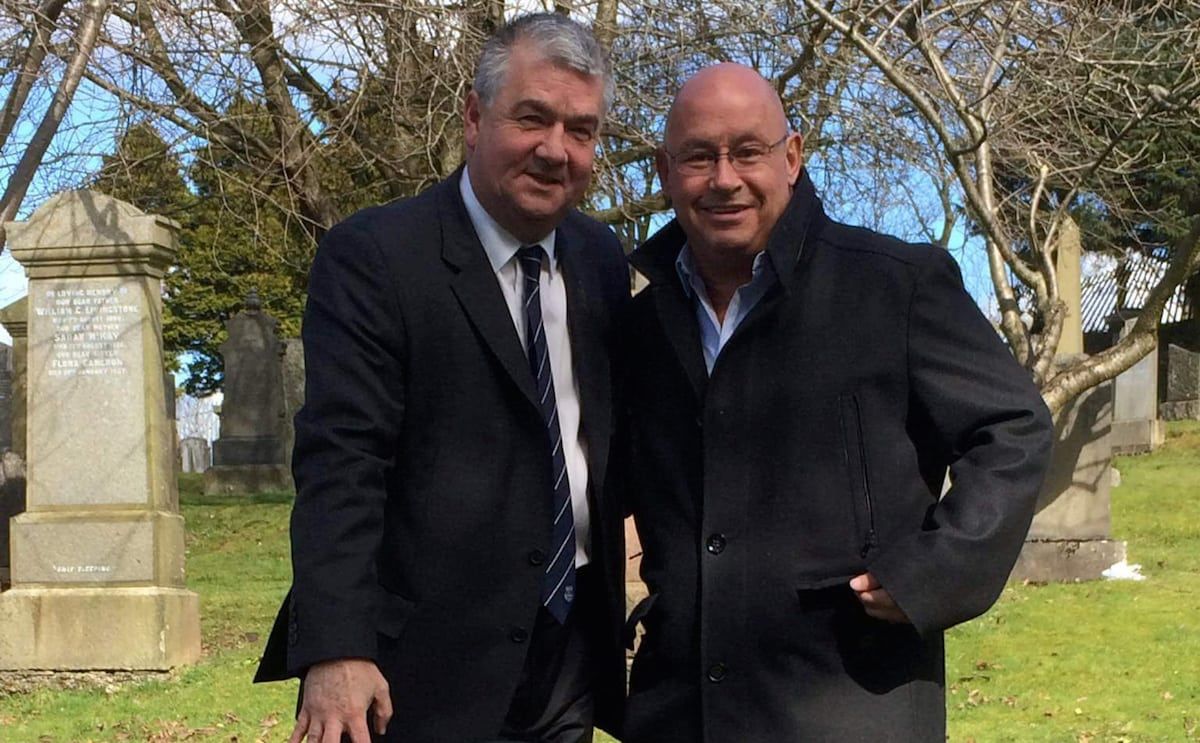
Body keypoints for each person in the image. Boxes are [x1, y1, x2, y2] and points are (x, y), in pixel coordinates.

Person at [619, 63, 1054, 741]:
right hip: (685, 713)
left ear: (792, 157)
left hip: (853, 702)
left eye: (748, 151)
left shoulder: (895, 286)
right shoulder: (640, 328)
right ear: (664, 170)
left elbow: (1014, 427)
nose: (724, 178)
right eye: (699, 156)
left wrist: (931, 572)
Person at [254, 14, 630, 743]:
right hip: (422, 670)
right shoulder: (375, 257)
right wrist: (337, 645)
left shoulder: (600, 259)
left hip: (568, 658)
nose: (557, 150)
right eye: (533, 118)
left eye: (581, 130)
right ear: (473, 115)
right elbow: (342, 462)